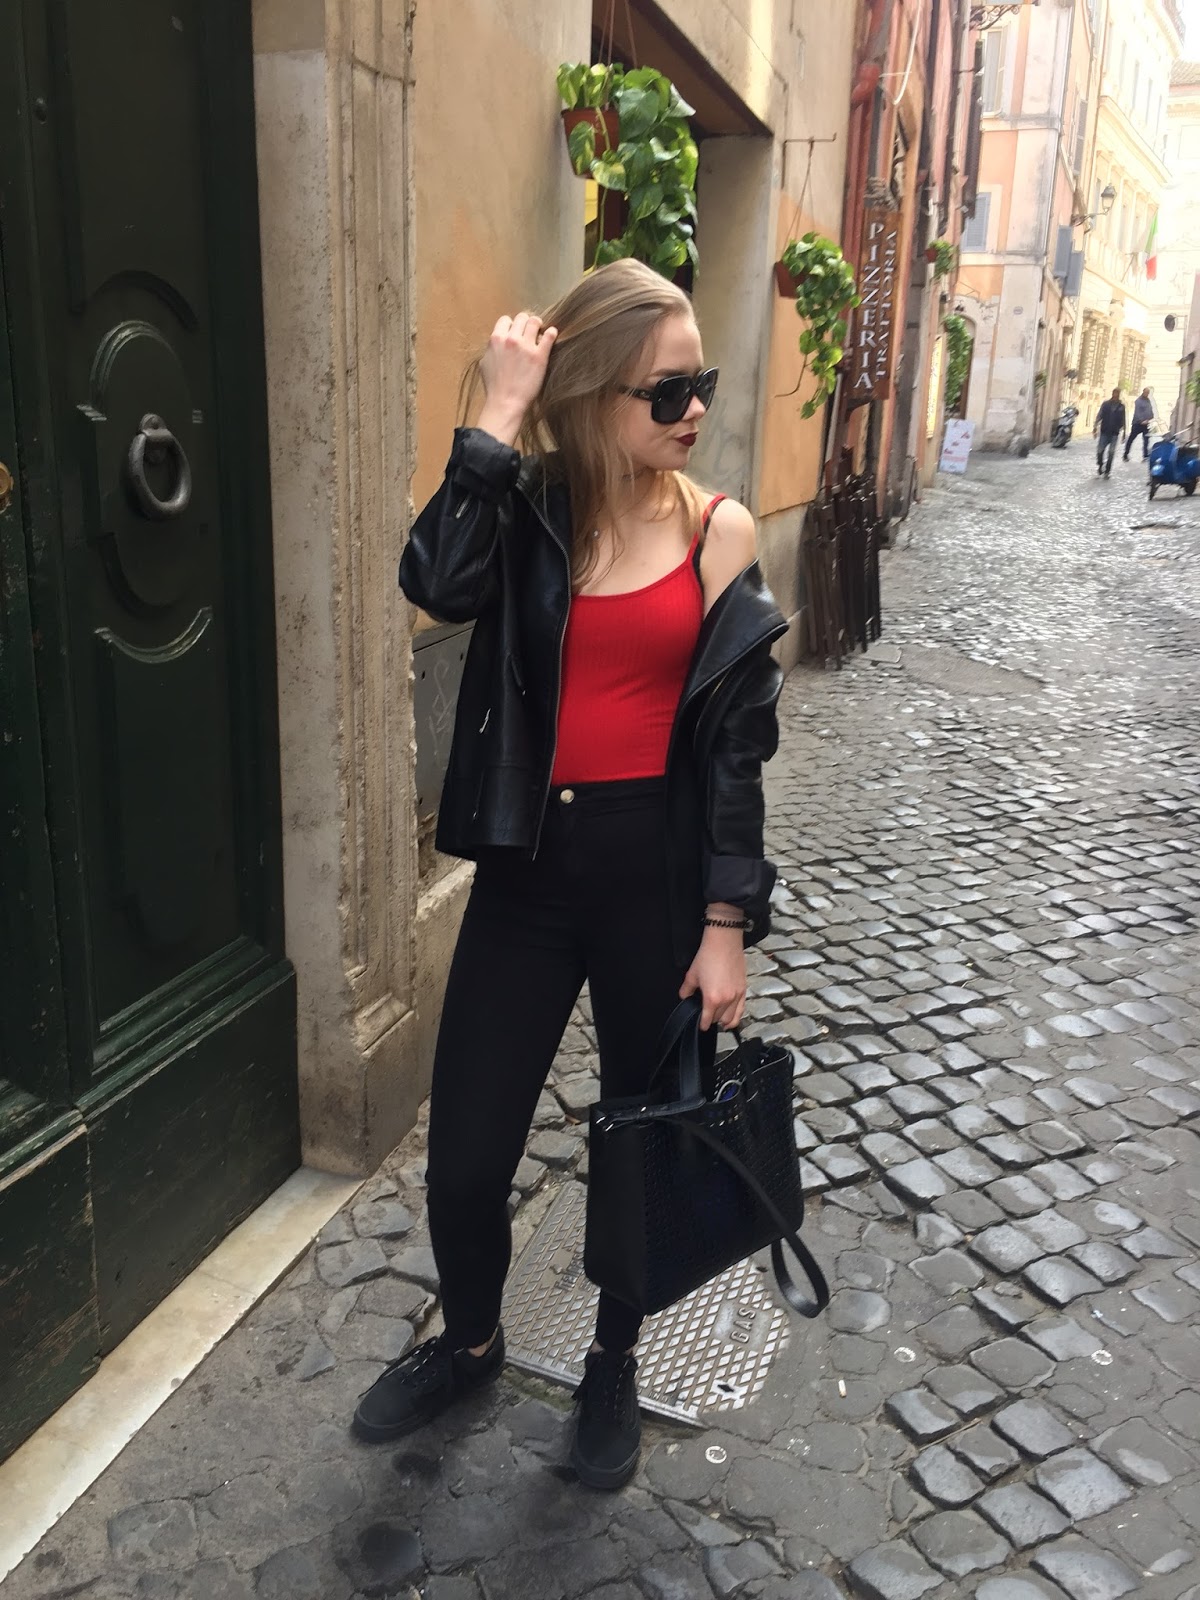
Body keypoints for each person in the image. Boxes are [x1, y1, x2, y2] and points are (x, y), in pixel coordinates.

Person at [350, 260, 786, 1490]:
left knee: (641, 1148)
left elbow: (738, 750)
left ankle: (612, 1360)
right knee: (466, 1158)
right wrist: (497, 414)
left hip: (656, 878)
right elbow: (432, 581)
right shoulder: (528, 511)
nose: (694, 410)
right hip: (529, 875)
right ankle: (472, 1340)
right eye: (667, 391)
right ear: (595, 395)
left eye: (701, 384)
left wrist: (725, 921)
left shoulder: (719, 531)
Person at [1094, 388, 1126, 477]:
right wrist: (1095, 426)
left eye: (1117, 394)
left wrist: (1124, 432)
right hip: (1104, 431)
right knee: (1099, 451)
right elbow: (1100, 415)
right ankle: (1100, 465)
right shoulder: (1105, 404)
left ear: (1119, 395)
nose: (1115, 395)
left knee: (1111, 452)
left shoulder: (1121, 407)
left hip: (1114, 433)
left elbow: (1124, 419)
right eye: (1114, 393)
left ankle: (1107, 471)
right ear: (1112, 394)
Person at [1124, 387, 1155, 461]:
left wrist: (1151, 418)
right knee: (1131, 438)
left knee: (1146, 440)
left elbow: (1150, 410)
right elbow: (1137, 412)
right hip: (1137, 424)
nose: (1147, 394)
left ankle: (1145, 456)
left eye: (1148, 393)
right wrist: (1141, 421)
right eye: (1146, 392)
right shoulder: (1138, 401)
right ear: (1143, 392)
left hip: (1146, 424)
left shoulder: (1148, 401)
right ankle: (1126, 454)